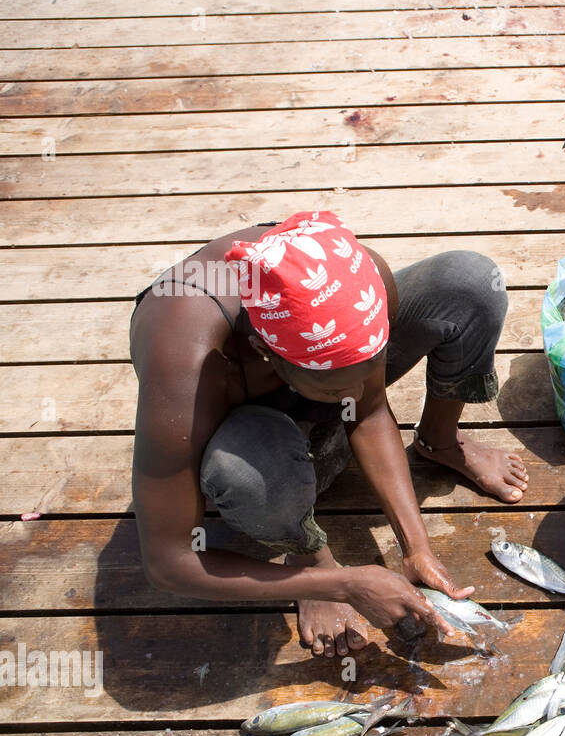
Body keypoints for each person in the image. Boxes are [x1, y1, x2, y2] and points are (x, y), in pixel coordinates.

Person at [129, 210, 529, 657]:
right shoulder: (183, 357)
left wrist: (416, 547)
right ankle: (307, 553)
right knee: (244, 467)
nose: (357, 396)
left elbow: (370, 407)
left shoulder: (362, 273)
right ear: (266, 352)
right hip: (245, 431)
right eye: (341, 389)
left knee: (468, 281)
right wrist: (343, 585)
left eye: (369, 371)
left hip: (303, 382)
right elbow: (168, 563)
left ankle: (439, 441)